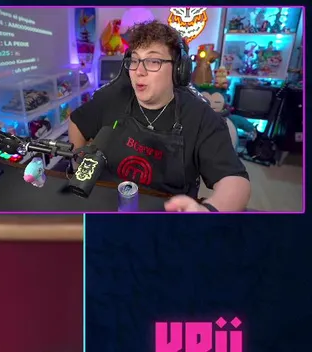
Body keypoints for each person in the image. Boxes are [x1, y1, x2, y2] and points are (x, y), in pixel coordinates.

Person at [68, 21, 252, 212]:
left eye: (153, 61)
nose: (139, 72)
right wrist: (79, 166)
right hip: (105, 207)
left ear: (178, 69)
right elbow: (76, 122)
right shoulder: (112, 99)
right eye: (134, 60)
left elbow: (236, 182)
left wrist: (207, 211)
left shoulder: (200, 116)